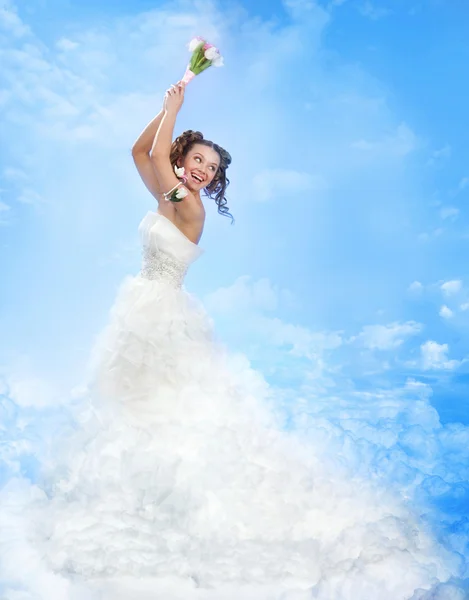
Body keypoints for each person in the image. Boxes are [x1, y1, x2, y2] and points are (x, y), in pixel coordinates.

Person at [2, 81, 459, 600]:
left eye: (211, 168)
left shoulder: (187, 207)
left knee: (169, 407)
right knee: (133, 405)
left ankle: (167, 498)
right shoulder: (165, 188)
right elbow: (139, 151)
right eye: (197, 160)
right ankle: (133, 489)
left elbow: (155, 157)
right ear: (184, 158)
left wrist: (175, 109)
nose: (202, 171)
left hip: (162, 315)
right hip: (142, 307)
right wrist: (163, 112)